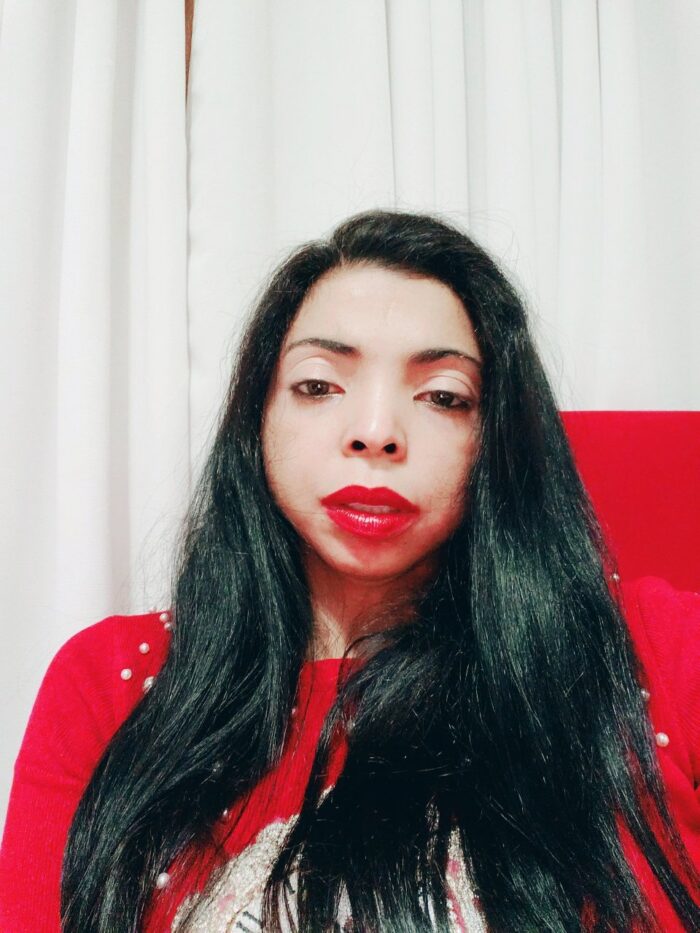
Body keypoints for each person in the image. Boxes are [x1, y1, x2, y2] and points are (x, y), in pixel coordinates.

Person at [1, 209, 699, 932]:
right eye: (319, 385)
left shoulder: (658, 651)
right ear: (257, 416)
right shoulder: (113, 682)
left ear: (498, 438)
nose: (375, 431)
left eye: (444, 396)